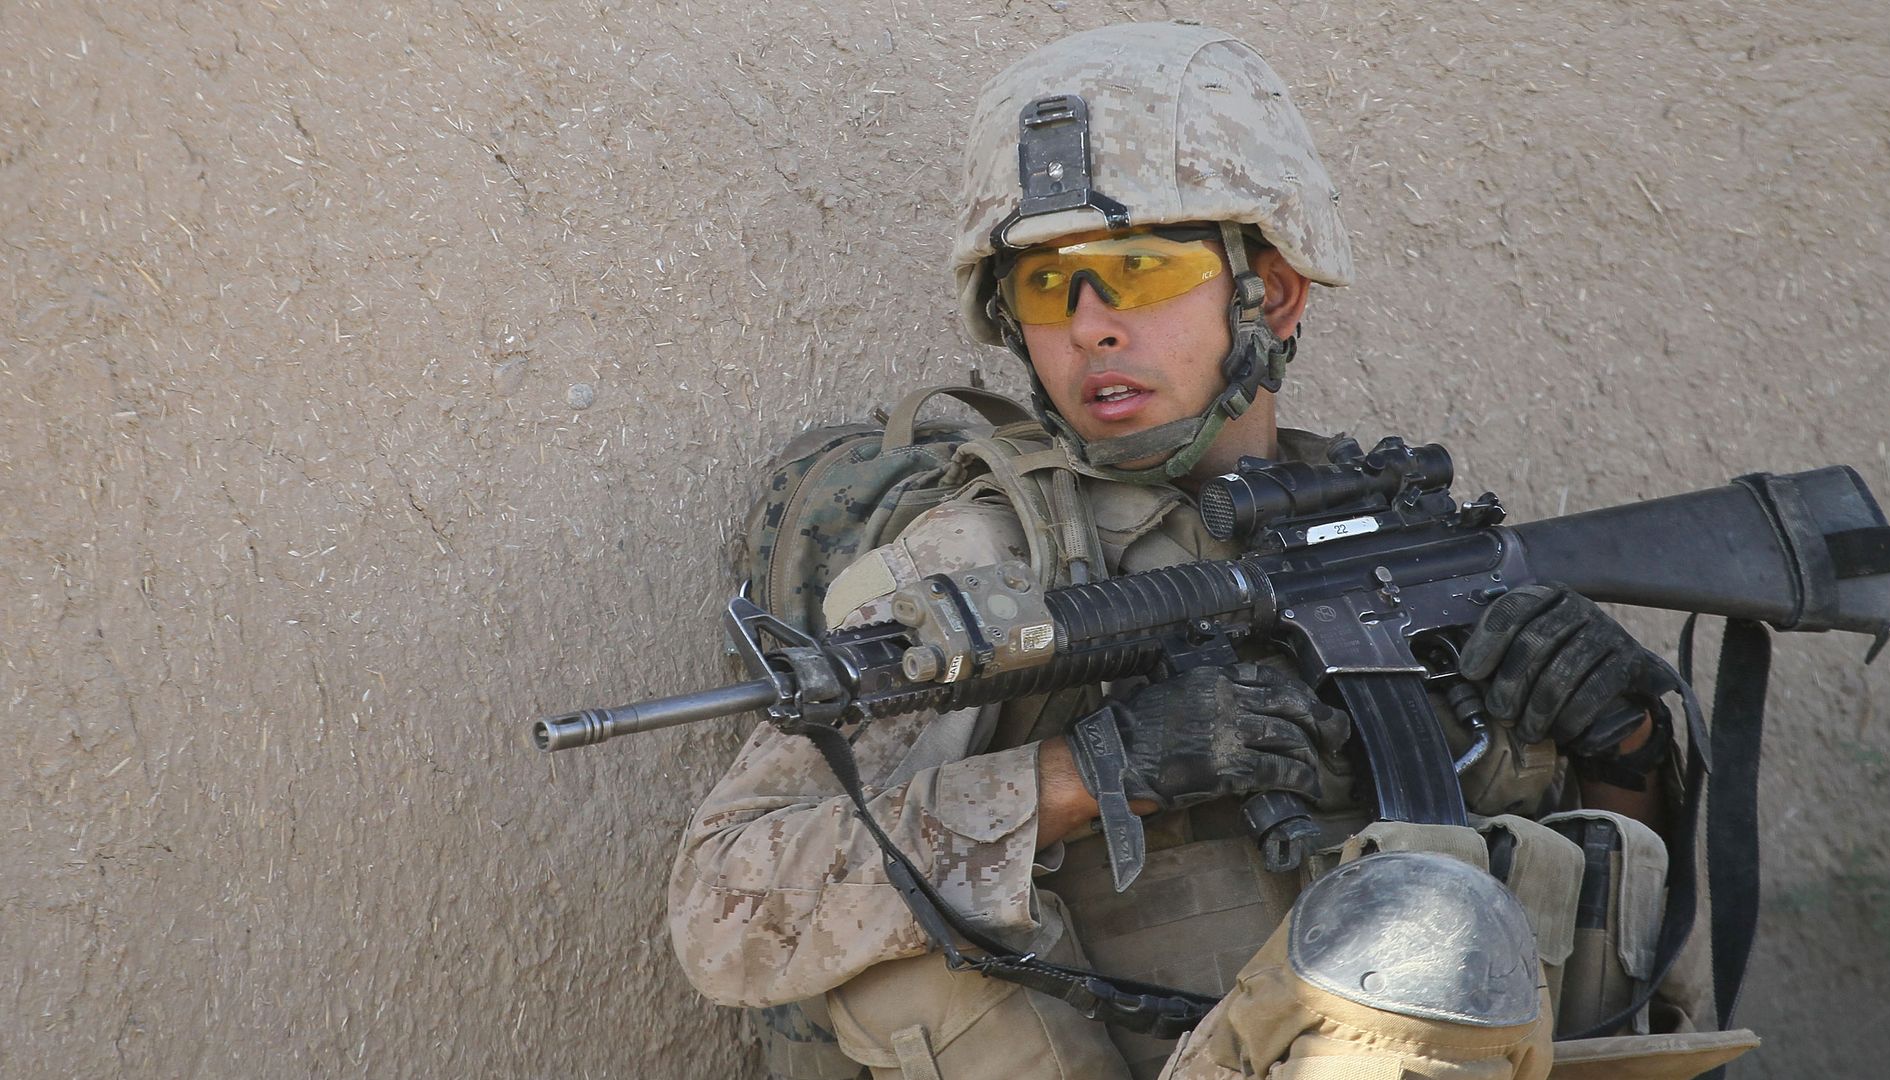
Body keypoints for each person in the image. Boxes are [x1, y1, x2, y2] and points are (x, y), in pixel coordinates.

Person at [670, 21, 1745, 1080]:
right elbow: (720, 905)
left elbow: (1628, 988)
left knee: (1449, 916)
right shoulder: (976, 562)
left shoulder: (1401, 534)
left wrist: (1630, 755)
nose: (1091, 327)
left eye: (1135, 271)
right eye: (1047, 287)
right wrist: (1090, 775)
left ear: (1269, 293)